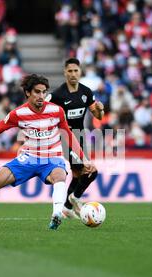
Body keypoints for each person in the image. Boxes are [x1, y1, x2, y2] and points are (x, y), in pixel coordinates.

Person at [0, 74, 95, 231]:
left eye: (44, 92)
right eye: (37, 92)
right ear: (28, 92)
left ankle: (56, 215)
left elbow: (69, 136)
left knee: (59, 175)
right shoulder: (18, 114)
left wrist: (83, 159)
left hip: (52, 158)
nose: (41, 96)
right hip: (29, 158)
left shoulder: (57, 111)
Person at [45, 58, 104, 219]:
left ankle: (67, 208)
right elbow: (42, 107)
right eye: (69, 71)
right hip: (66, 138)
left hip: (81, 136)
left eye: (75, 71)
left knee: (78, 175)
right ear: (65, 72)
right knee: (91, 171)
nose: (73, 74)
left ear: (80, 72)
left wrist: (100, 110)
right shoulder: (57, 95)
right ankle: (75, 198)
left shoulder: (86, 92)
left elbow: (97, 116)